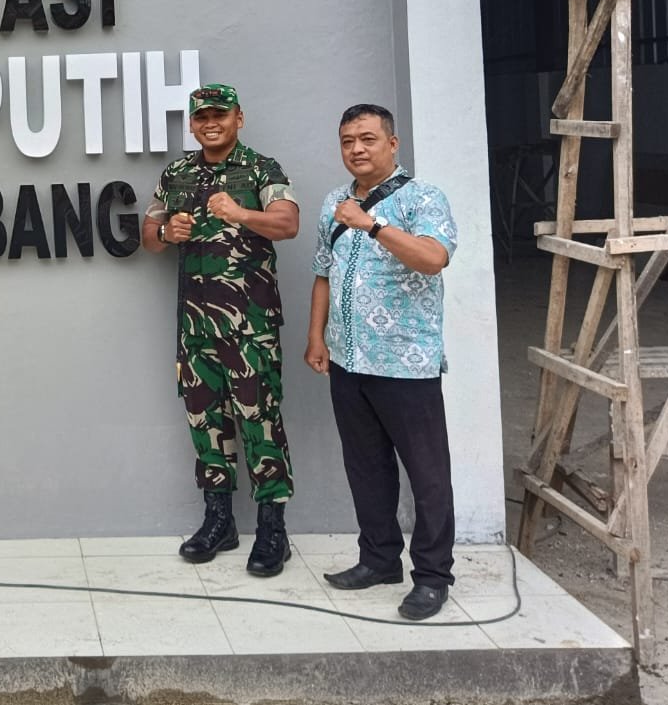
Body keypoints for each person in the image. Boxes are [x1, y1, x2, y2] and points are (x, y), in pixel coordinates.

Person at [304, 103, 459, 621]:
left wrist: (371, 225)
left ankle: (432, 577)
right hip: (349, 360)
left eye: (368, 139)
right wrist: (316, 337)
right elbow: (323, 273)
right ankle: (378, 559)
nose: (357, 149)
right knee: (366, 467)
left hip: (406, 364)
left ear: (392, 144)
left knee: (428, 475)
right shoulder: (334, 202)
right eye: (348, 141)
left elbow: (433, 259)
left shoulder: (423, 198)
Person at [142, 84, 300, 576]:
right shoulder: (177, 173)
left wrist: (241, 214)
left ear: (239, 118)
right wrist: (166, 233)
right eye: (202, 116)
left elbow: (287, 223)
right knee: (205, 421)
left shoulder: (261, 169)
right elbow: (148, 233)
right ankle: (219, 521)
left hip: (250, 326)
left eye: (220, 114)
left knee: (260, 420)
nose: (211, 123)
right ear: (192, 124)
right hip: (195, 326)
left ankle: (273, 529)